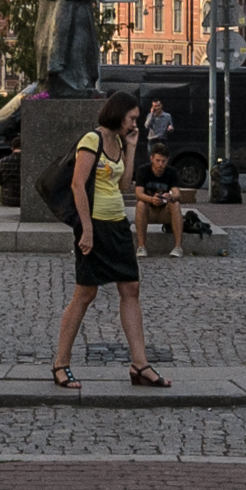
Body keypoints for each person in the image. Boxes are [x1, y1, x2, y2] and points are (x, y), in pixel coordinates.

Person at [51, 92, 164, 390]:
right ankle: (60, 363)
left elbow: (124, 184)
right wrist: (86, 229)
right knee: (85, 294)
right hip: (95, 226)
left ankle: (140, 364)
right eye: (131, 118)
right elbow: (77, 185)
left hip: (116, 224)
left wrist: (132, 145)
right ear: (117, 114)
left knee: (131, 288)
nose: (134, 123)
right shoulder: (92, 140)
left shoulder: (117, 141)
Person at [134, 102, 186, 257]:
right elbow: (138, 193)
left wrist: (171, 196)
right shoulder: (143, 170)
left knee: (176, 204)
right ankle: (141, 246)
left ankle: (178, 247)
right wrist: (151, 199)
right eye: (157, 161)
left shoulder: (171, 172)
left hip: (164, 208)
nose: (160, 165)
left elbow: (178, 193)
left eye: (163, 161)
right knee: (141, 204)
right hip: (149, 207)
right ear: (152, 159)